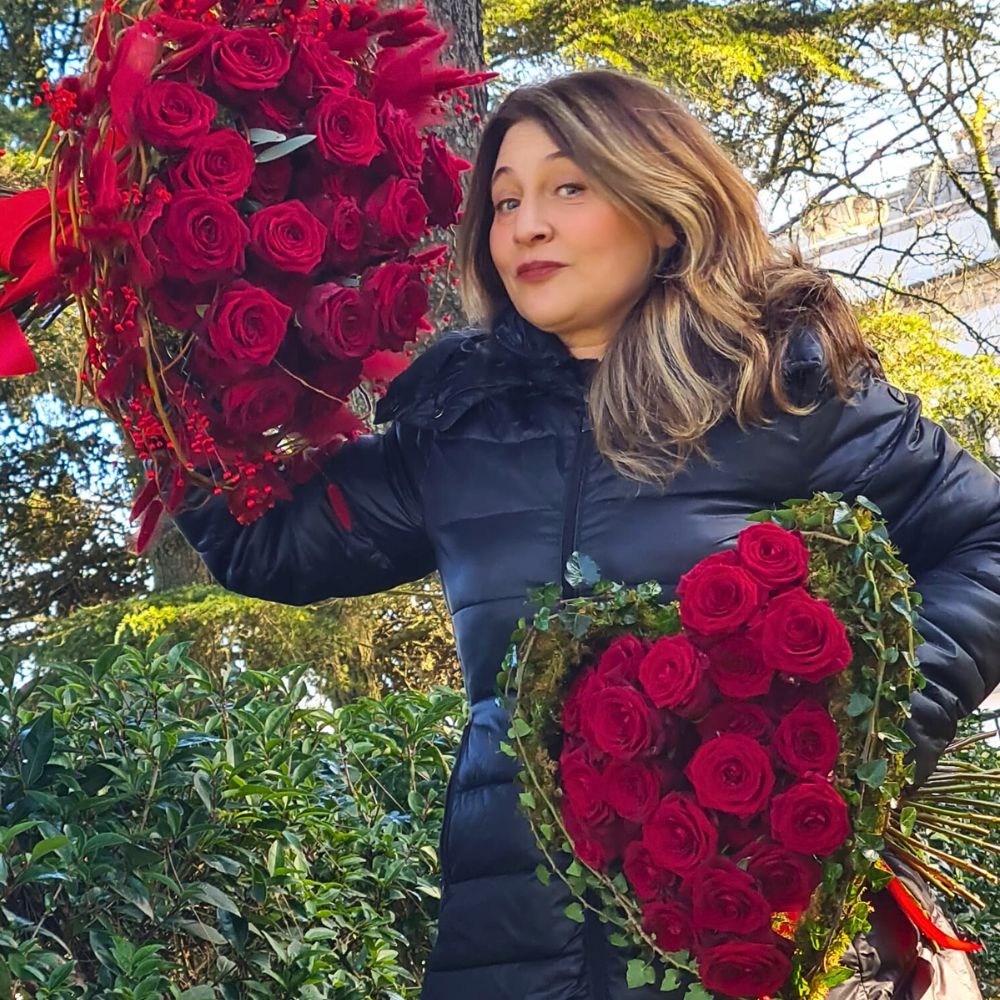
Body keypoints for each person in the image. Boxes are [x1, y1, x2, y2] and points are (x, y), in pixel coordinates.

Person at [169, 69, 1000, 999]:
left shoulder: (787, 383)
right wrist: (164, 353)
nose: (527, 224)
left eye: (569, 187)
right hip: (506, 950)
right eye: (506, 199)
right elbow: (264, 543)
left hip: (754, 941)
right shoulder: (456, 425)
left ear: (664, 202)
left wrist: (863, 736)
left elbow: (987, 542)